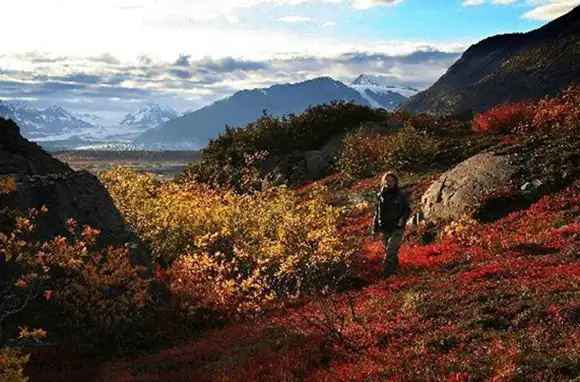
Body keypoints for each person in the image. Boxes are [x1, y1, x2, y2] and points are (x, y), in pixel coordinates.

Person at [372, 172, 411, 278]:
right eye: (386, 180)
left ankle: (386, 275)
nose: (388, 183)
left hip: (397, 228)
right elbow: (377, 213)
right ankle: (397, 271)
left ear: (395, 182)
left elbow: (407, 210)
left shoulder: (400, 195)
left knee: (390, 251)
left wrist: (402, 219)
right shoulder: (380, 196)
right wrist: (374, 229)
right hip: (384, 227)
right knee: (390, 252)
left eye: (391, 180)